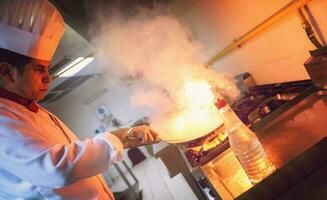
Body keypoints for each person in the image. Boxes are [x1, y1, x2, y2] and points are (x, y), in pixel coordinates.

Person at [0, 0, 159, 199]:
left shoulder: (32, 110)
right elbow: (57, 168)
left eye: (47, 69)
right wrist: (121, 137)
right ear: (7, 72)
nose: (49, 77)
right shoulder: (3, 120)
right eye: (40, 69)